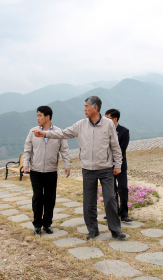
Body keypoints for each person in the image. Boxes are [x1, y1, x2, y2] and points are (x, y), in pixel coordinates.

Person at [32, 96, 127, 240]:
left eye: (86, 106)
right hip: (88, 169)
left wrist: (118, 165)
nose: (84, 109)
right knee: (89, 201)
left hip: (106, 168)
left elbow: (115, 146)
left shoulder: (108, 124)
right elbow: (63, 133)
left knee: (110, 198)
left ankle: (115, 230)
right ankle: (92, 230)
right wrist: (45, 134)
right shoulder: (80, 124)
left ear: (95, 108)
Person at [23, 106, 71, 235]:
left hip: (51, 170)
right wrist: (25, 164)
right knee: (38, 197)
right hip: (36, 170)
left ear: (47, 117)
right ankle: (37, 225)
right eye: (37, 115)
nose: (37, 118)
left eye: (40, 115)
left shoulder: (58, 132)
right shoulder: (32, 131)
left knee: (50, 198)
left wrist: (67, 165)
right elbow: (27, 149)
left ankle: (47, 224)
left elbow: (64, 150)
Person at [105, 109, 133, 222]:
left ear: (115, 119)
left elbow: (122, 149)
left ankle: (124, 214)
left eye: (108, 118)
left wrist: (116, 161)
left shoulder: (124, 131)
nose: (105, 120)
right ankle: (113, 212)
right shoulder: (104, 131)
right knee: (111, 191)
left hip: (120, 165)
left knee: (123, 189)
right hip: (107, 165)